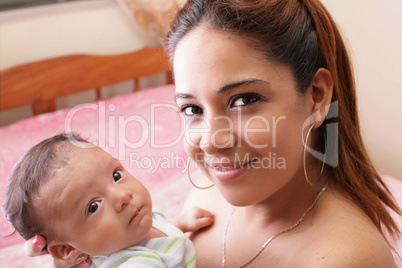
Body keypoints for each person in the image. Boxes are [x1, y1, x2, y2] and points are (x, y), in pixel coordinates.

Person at [26, 0, 402, 267]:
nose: (211, 141)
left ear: (317, 97)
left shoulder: (344, 258)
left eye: (243, 100)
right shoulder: (209, 191)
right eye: (192, 109)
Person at [5, 133, 213, 267]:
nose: (122, 196)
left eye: (116, 176)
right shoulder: (135, 263)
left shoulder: (134, 224)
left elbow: (156, 235)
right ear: (67, 250)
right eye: (93, 207)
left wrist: (180, 223)